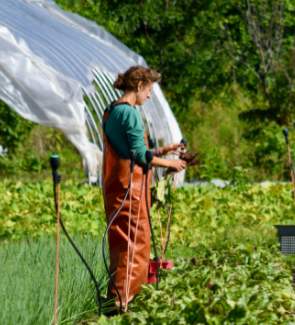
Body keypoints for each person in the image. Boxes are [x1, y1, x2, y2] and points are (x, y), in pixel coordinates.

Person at [101, 66, 186, 311]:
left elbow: (131, 149)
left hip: (117, 189)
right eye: (149, 90)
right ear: (139, 86)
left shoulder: (111, 110)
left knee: (121, 246)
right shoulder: (130, 114)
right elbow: (139, 158)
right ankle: (123, 305)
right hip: (132, 191)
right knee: (135, 247)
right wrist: (170, 163)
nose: (149, 96)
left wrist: (161, 151)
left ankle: (116, 300)